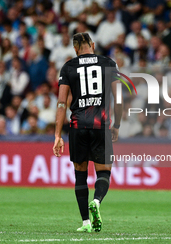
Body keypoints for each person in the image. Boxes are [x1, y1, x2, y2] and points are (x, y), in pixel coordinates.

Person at [53, 33, 122, 232]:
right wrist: (116, 125)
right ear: (92, 44)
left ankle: (85, 223)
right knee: (104, 171)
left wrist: (57, 135)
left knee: (80, 175)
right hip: (101, 125)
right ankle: (97, 201)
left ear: (75, 49)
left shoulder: (68, 67)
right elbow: (118, 99)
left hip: (77, 126)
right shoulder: (108, 63)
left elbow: (61, 103)